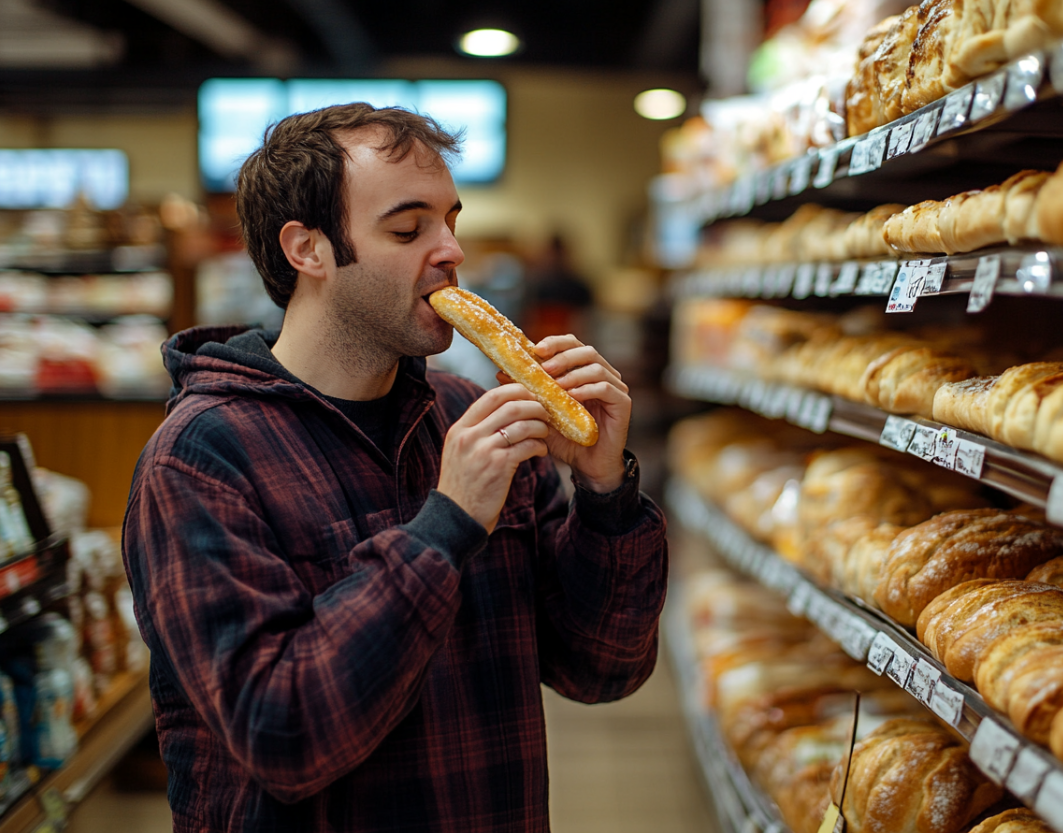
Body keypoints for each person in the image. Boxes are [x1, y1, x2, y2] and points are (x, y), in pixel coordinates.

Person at [122, 103, 668, 832]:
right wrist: (445, 525)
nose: (450, 251)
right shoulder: (200, 460)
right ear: (307, 249)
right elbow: (282, 734)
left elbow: (603, 668)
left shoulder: (467, 414)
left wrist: (604, 494)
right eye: (408, 229)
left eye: (451, 221)